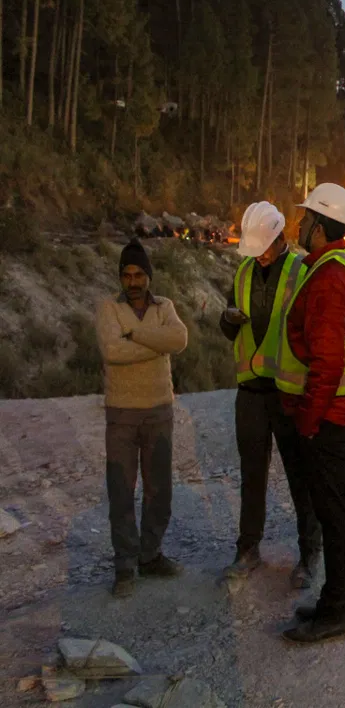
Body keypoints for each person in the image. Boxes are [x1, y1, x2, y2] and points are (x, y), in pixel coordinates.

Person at [276, 183, 345, 644]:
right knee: (344, 508)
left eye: (304, 218)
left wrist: (309, 421)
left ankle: (337, 609)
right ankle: (339, 598)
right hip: (342, 412)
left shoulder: (330, 278)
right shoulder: (341, 266)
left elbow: (327, 360)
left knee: (334, 512)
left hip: (328, 416)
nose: (297, 225)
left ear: (320, 224)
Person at [219, 201, 321, 588]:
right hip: (250, 391)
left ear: (280, 239)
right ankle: (248, 548)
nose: (258, 255)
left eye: (263, 246)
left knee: (300, 476)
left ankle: (309, 554)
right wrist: (228, 320)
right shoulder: (244, 271)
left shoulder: (300, 271)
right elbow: (228, 326)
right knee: (252, 475)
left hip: (287, 391)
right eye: (253, 248)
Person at [96, 239, 188, 598]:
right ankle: (124, 565)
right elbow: (111, 351)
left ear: (149, 276)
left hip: (158, 410)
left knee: (159, 490)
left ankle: (150, 555)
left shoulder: (165, 306)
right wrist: (156, 343)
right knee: (121, 490)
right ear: (121, 277)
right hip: (122, 413)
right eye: (126, 275)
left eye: (138, 275)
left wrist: (135, 333)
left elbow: (179, 339)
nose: (132, 282)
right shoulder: (107, 307)